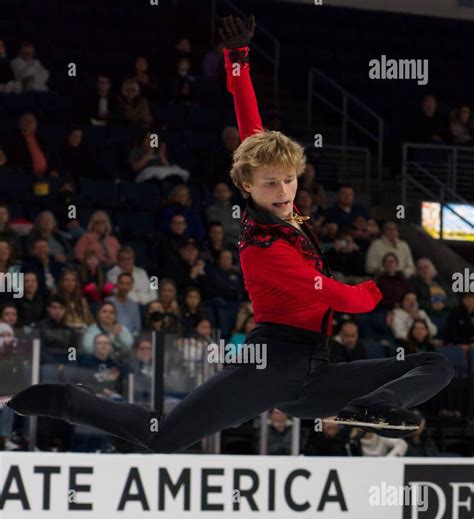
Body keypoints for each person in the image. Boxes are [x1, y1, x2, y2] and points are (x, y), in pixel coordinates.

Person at [6, 15, 454, 452]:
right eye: (272, 183)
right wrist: (384, 289)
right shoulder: (262, 248)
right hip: (270, 366)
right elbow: (340, 297)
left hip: (316, 370)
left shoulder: (283, 205)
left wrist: (238, 60)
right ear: (247, 185)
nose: (283, 191)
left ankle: (376, 406)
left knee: (435, 364)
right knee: (164, 436)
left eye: (289, 179)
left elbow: (251, 127)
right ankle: (62, 399)